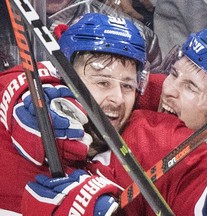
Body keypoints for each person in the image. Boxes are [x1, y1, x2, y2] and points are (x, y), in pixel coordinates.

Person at [21, 24, 207, 215]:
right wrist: (24, 93)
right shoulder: (151, 106)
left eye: (191, 87)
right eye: (173, 73)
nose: (169, 90)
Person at [0, 12, 148, 215]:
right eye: (102, 82)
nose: (118, 99)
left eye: (128, 86)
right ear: (63, 78)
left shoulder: (142, 134)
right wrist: (23, 92)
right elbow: (17, 79)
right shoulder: (24, 122)